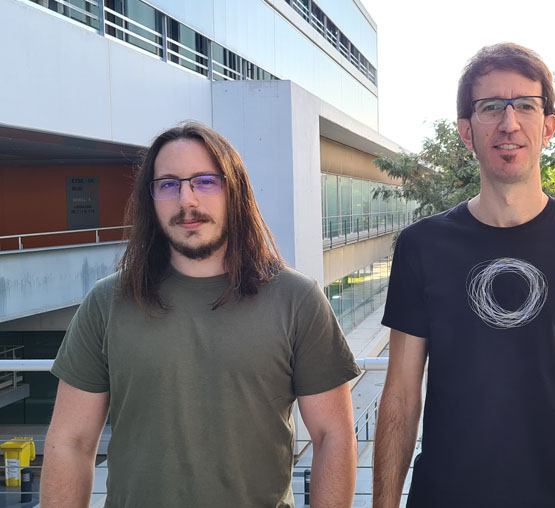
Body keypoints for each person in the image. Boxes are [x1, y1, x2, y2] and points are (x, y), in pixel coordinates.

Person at [373, 43, 555, 508]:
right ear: (466, 131)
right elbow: (400, 394)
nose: (509, 122)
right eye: (490, 107)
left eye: (525, 104)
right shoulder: (422, 246)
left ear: (549, 125)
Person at [40, 122, 361, 508]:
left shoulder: (297, 299)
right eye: (168, 184)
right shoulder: (106, 302)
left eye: (205, 181)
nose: (186, 200)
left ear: (234, 190)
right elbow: (70, 444)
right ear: (151, 197)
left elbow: (333, 438)